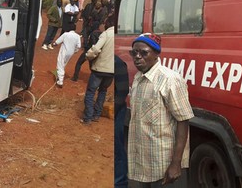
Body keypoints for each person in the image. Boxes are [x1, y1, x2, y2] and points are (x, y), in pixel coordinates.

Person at [128, 33, 194, 187]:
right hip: (144, 164)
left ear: (156, 54)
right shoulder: (138, 78)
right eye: (134, 53)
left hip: (164, 165)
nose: (137, 57)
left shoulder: (170, 80)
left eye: (144, 52)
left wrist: (175, 164)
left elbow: (183, 121)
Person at [81, 15, 114, 124]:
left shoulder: (106, 34)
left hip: (100, 68)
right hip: (111, 71)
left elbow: (95, 49)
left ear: (108, 23)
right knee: (103, 91)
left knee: (91, 92)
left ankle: (88, 117)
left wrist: (88, 56)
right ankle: (96, 115)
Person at [114, 55, 129, 188]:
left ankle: (120, 182)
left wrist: (114, 110)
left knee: (117, 148)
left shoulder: (117, 63)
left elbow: (122, 91)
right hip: (114, 109)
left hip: (117, 111)